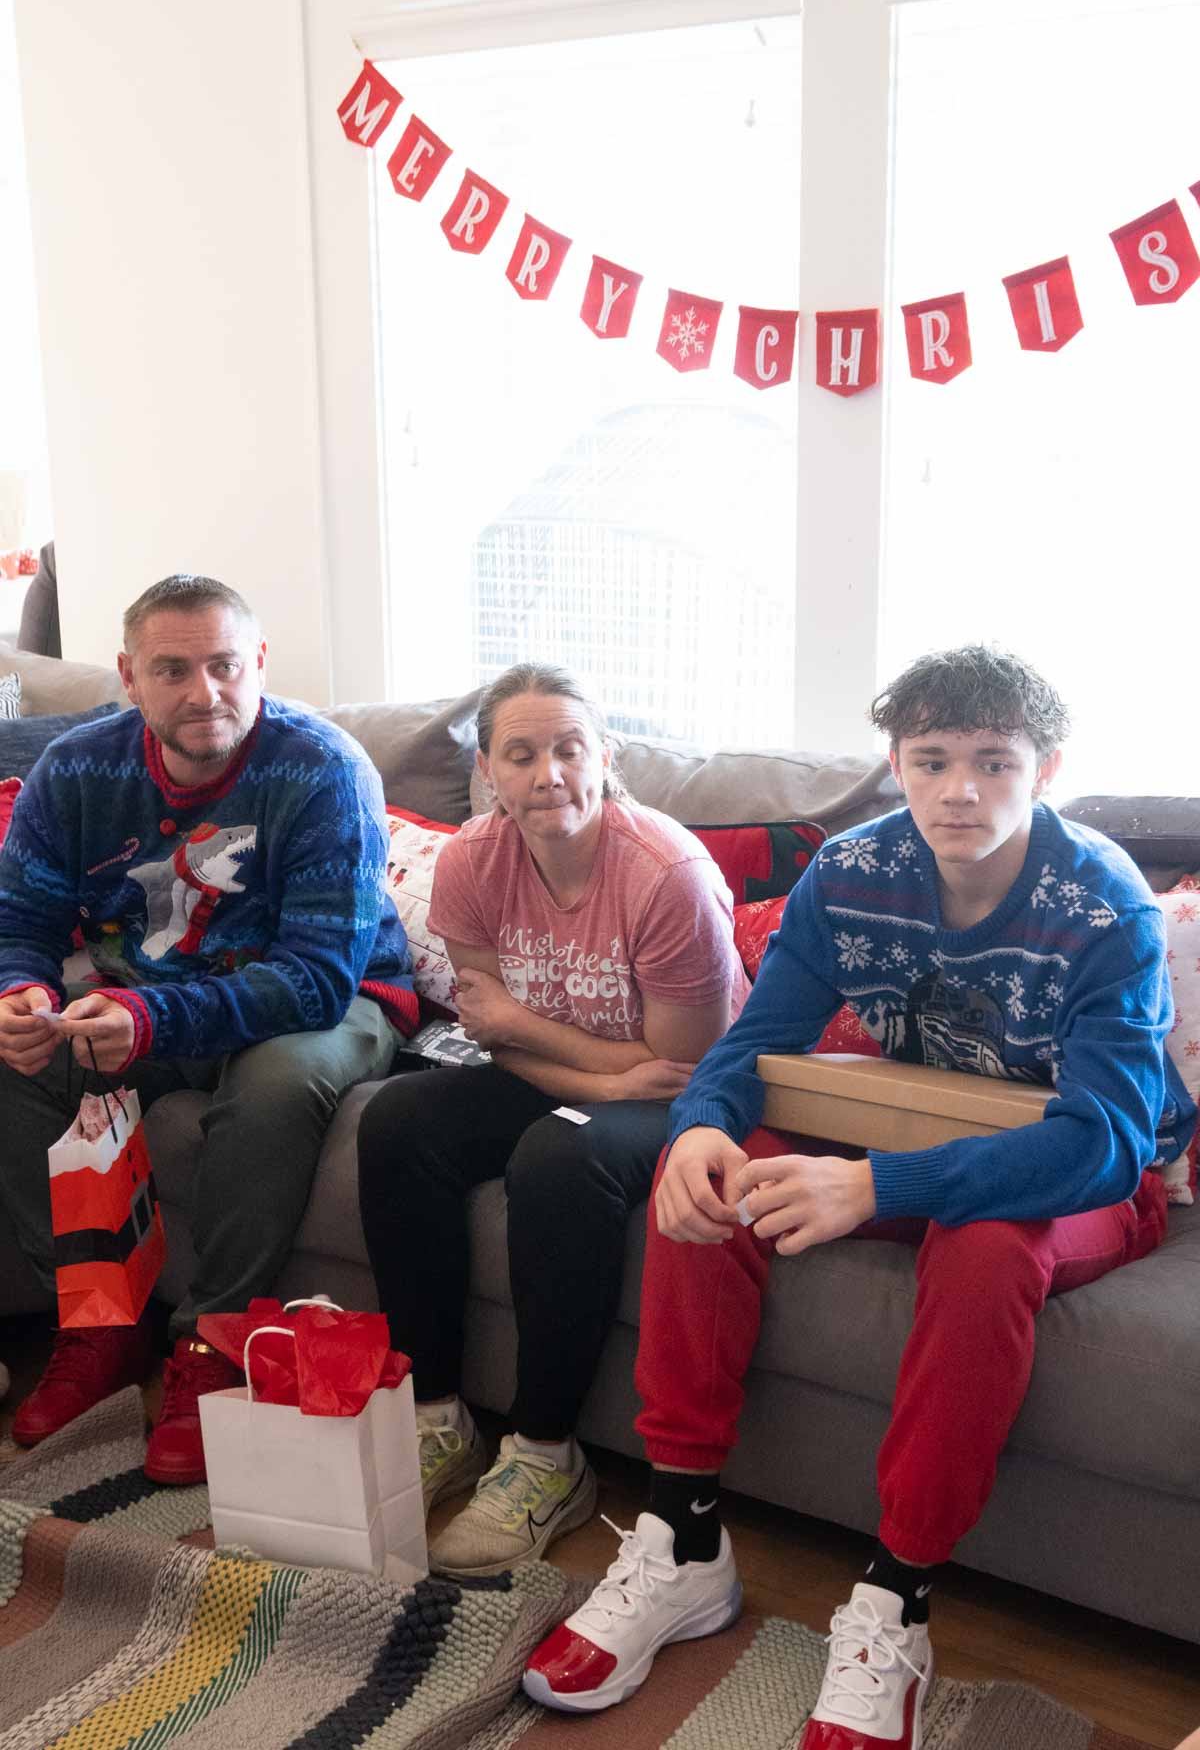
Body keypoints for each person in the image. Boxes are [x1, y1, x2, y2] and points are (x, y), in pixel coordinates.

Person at [523, 645, 1195, 1748]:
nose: (959, 791)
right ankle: (685, 1536)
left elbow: (1107, 1141)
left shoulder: (1102, 903)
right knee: (718, 1178)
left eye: (992, 763)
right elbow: (756, 1042)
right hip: (906, 1124)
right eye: (931, 762)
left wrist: (874, 1185)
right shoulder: (852, 870)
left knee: (983, 1251)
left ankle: (896, 1603)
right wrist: (697, 1130)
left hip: (1077, 1172)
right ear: (897, 762)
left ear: (1048, 768)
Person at [0, 574, 415, 1482]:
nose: (205, 693)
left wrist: (149, 1018)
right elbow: (18, 920)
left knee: (272, 1090)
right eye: (173, 669)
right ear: (128, 676)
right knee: (14, 1064)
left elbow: (314, 977)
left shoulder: (325, 770)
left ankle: (210, 1347)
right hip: (151, 990)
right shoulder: (74, 768)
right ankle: (98, 1324)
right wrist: (20, 994)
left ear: (258, 663)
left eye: (226, 665)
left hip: (332, 998)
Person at [357, 661, 748, 1578]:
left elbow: (686, 1067)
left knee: (556, 1157)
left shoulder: (667, 877)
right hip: (598, 1075)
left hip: (693, 1098)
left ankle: (543, 1456)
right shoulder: (472, 861)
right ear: (488, 770)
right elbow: (493, 1038)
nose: (548, 776)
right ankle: (437, 1416)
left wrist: (574, 1063)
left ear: (603, 757)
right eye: (520, 754)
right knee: (398, 1120)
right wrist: (603, 1075)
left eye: (569, 749)